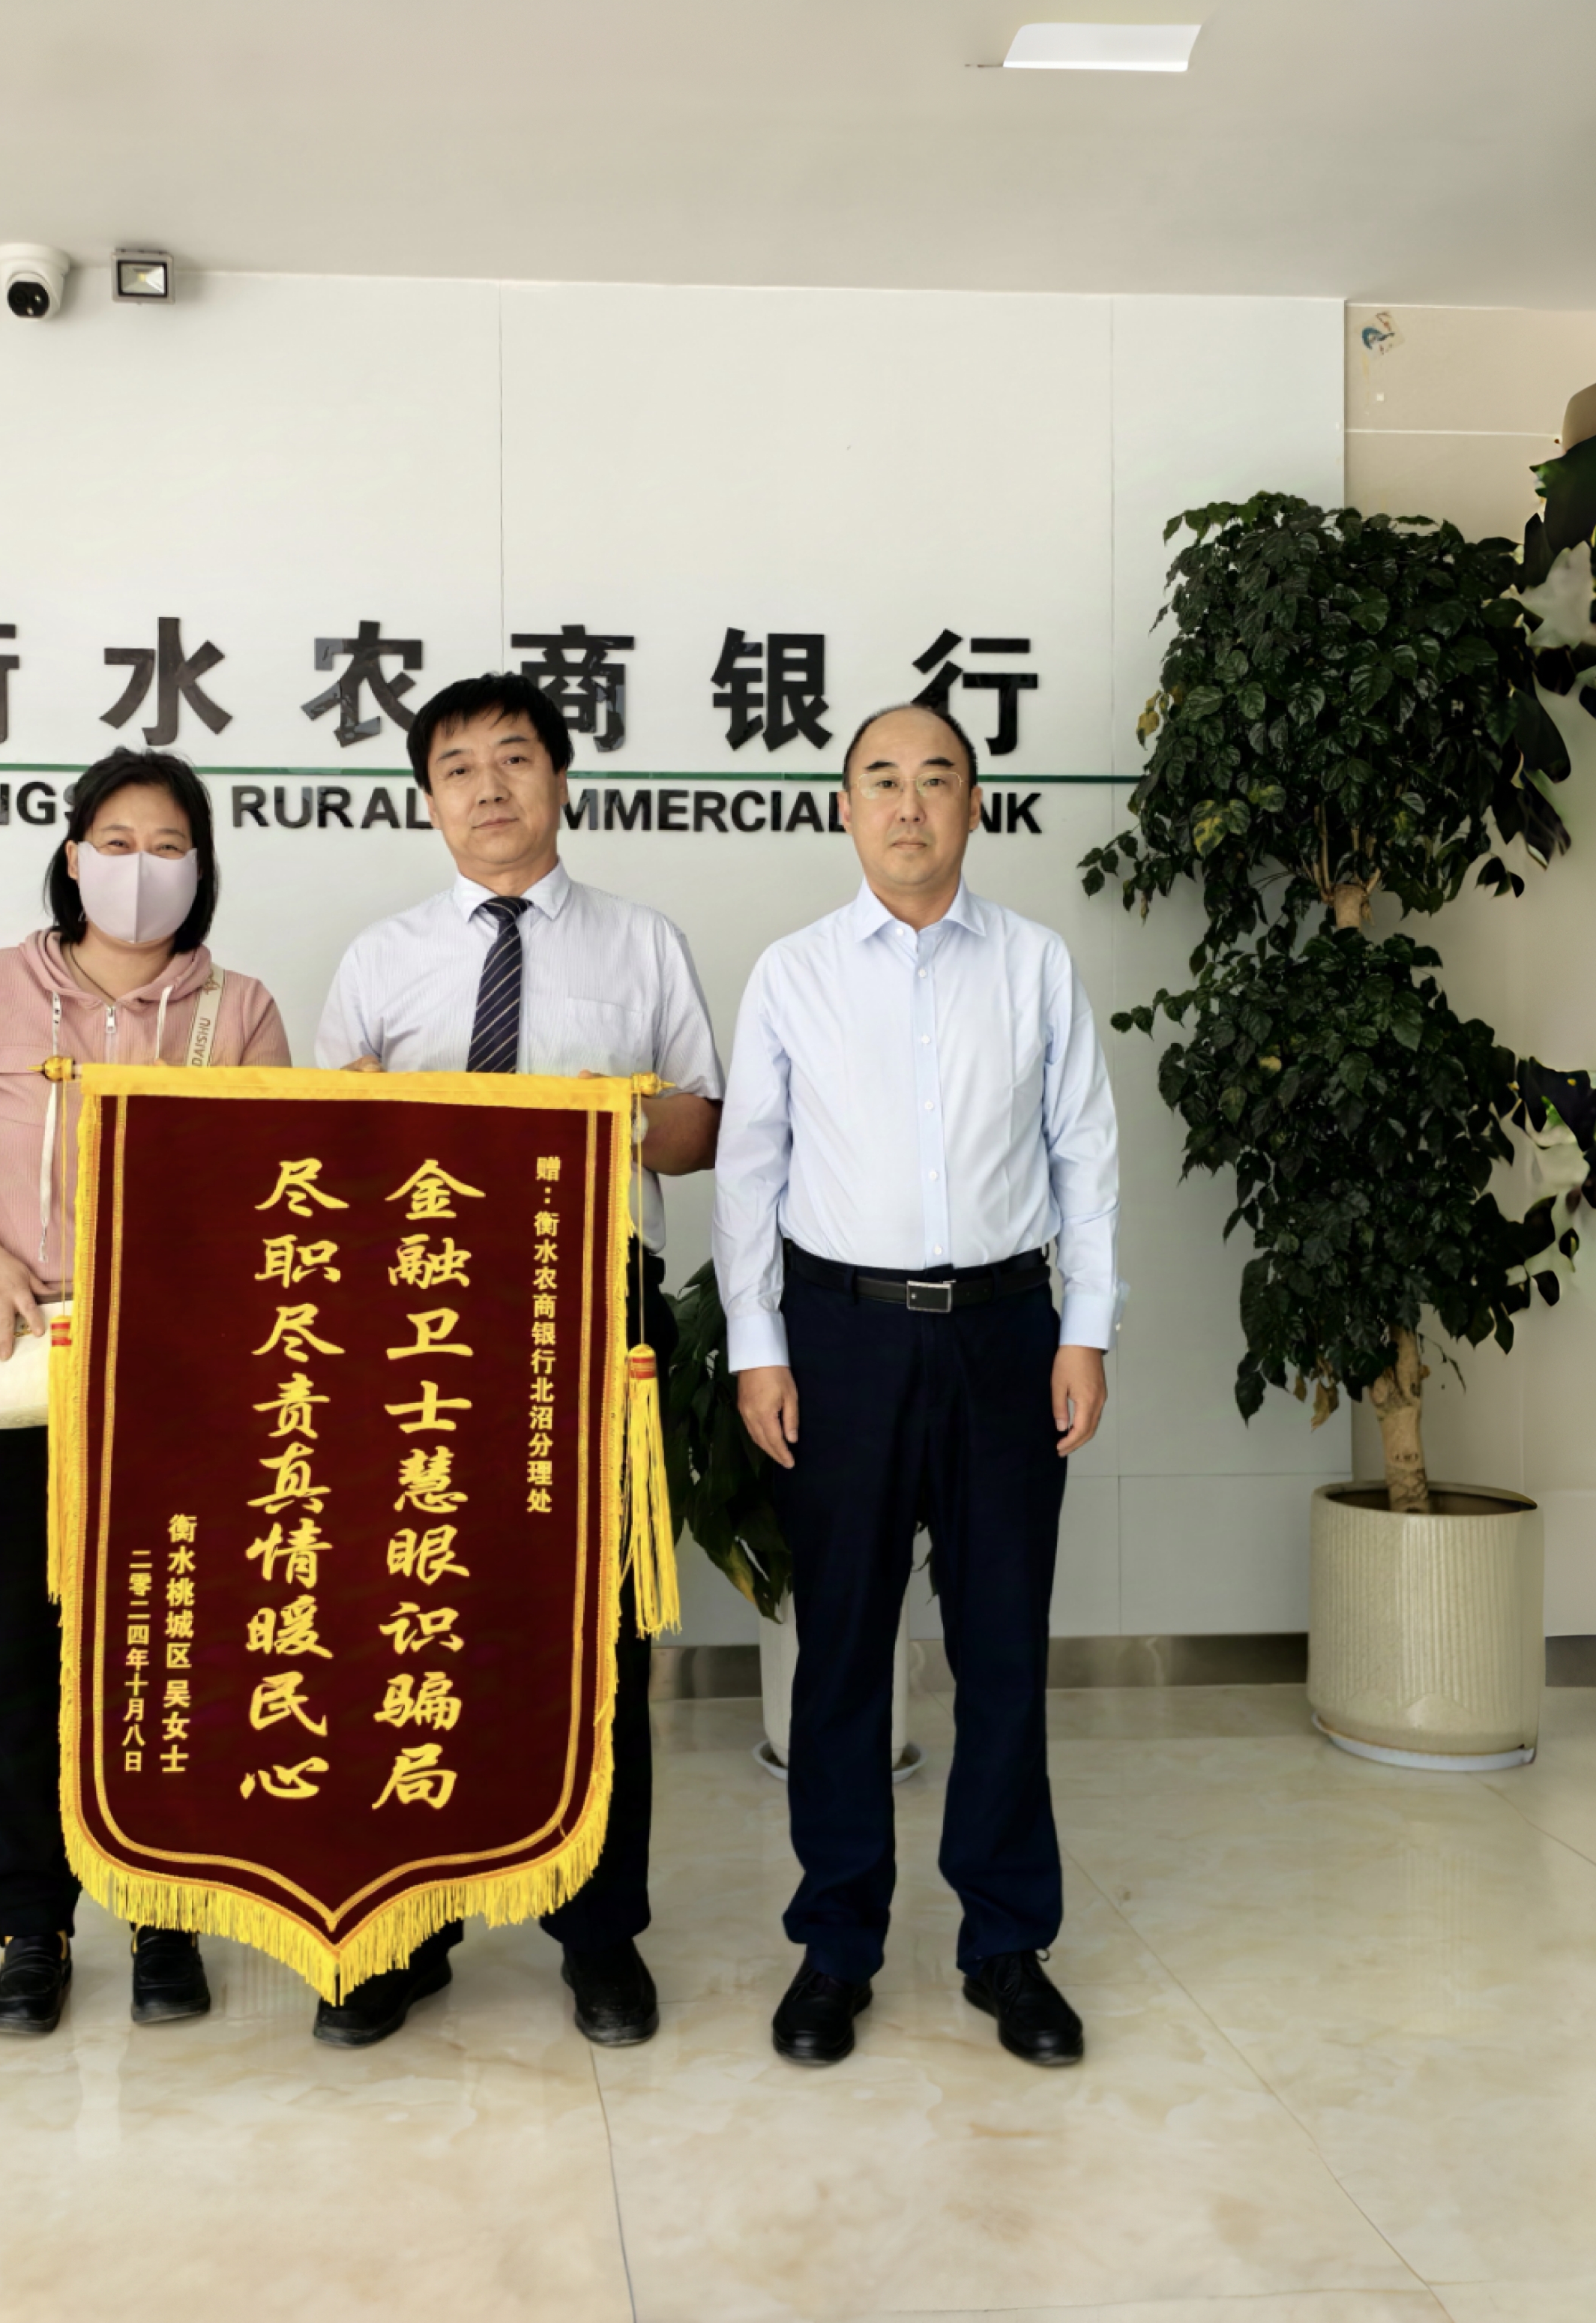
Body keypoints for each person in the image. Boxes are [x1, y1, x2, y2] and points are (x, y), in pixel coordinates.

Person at [313, 670, 726, 2051]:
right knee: (412, 1610)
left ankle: (600, 1932)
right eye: (457, 768)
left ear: (560, 777)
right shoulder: (380, 959)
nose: (488, 787)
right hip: (417, 1319)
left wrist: (620, 1117)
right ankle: (406, 1926)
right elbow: (326, 1150)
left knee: (592, 1628)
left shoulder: (642, 942)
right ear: (427, 801)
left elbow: (701, 1128)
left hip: (596, 1308)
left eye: (514, 758)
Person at [712, 701, 1118, 2071]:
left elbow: (1084, 1154)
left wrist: (1086, 1329)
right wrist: (759, 1347)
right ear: (846, 809)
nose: (908, 803)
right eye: (880, 779)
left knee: (1003, 1647)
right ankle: (837, 1943)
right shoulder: (795, 972)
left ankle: (1007, 1942)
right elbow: (750, 1173)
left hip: (1007, 1332)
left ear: (972, 806)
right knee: (842, 1649)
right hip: (843, 1338)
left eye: (935, 778)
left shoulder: (1035, 962)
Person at [0, 747, 291, 2036]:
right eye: (116, 842)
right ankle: (33, 1924)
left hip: (180, 1376)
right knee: (19, 1650)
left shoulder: (239, 1010)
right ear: (73, 856)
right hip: (18, 1353)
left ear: (202, 866)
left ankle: (165, 1909)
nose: (140, 868)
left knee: (168, 1643)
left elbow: (276, 1197)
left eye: (168, 845)